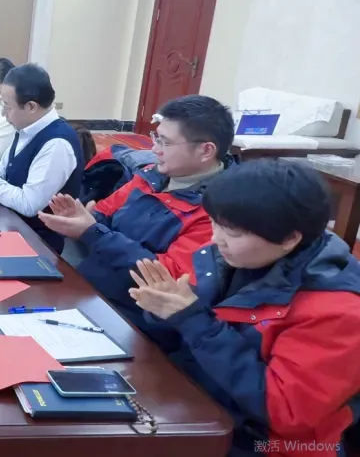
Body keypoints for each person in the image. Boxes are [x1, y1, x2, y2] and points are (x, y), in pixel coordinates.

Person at [127, 159, 360, 457]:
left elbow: (285, 412)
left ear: (290, 238)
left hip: (267, 443)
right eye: (214, 222)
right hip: (203, 403)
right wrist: (164, 310)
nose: (215, 238)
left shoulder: (336, 311)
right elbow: (194, 333)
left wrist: (192, 320)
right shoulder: (233, 258)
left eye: (232, 232)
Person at [38, 95, 235, 328]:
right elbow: (102, 213)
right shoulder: (151, 175)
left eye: (165, 143)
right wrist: (82, 219)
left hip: (132, 316)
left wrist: (92, 231)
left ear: (206, 151)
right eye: (156, 138)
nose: (154, 149)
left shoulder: (217, 212)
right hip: (91, 285)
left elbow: (166, 277)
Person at [0, 64, 83, 254]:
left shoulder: (57, 143)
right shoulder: (26, 128)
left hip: (36, 243)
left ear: (31, 107)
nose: (3, 114)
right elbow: (1, 174)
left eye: (7, 107)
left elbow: (29, 204)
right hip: (7, 224)